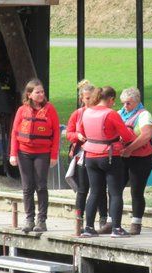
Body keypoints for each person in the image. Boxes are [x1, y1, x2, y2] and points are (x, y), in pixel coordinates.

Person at [78, 86, 135, 238]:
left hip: (90, 155)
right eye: (113, 101)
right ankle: (116, 228)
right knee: (115, 193)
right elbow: (127, 137)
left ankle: (89, 227)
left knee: (95, 191)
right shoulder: (111, 114)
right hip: (109, 155)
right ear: (110, 99)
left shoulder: (87, 112)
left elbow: (81, 132)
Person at [9, 78, 60, 233]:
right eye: (37, 92)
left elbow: (56, 133)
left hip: (42, 153)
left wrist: (54, 155)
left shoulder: (50, 109)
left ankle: (42, 220)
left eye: (42, 92)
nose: (41, 95)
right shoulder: (22, 110)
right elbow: (15, 133)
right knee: (27, 187)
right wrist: (13, 154)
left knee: (41, 186)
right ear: (29, 94)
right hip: (24, 153)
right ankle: (29, 219)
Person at [66, 80, 108, 236]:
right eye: (87, 98)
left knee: (100, 188)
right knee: (83, 189)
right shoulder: (77, 114)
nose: (90, 101)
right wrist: (77, 135)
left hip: (99, 154)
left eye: (93, 97)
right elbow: (69, 133)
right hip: (82, 154)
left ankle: (103, 219)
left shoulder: (102, 112)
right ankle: (79, 219)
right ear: (81, 99)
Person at [119, 87, 152, 235]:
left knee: (136, 191)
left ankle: (136, 223)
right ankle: (112, 221)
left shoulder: (144, 114)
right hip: (123, 157)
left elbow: (146, 135)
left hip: (141, 158)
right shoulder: (119, 114)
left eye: (128, 103)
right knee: (115, 189)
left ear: (137, 101)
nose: (125, 106)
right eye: (123, 103)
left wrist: (130, 149)